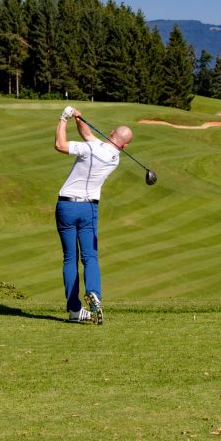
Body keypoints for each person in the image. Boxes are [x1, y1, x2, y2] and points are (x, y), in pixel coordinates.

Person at [54, 105, 133, 324]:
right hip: (89, 209)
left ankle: (73, 310)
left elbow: (60, 144)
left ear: (110, 134)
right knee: (90, 257)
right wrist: (79, 117)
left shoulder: (90, 149)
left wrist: (64, 118)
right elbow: (87, 134)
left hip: (66, 206)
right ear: (124, 145)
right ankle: (95, 294)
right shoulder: (114, 158)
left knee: (70, 258)